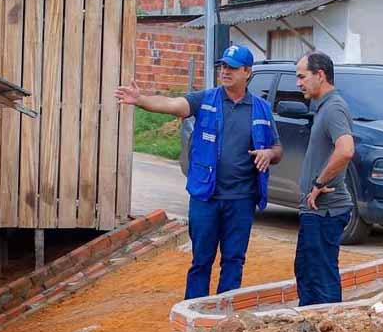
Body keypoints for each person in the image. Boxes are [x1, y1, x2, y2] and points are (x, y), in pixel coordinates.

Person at [115, 45, 282, 299]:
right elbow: (173, 104)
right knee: (201, 260)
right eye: (223, 66)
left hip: (241, 199)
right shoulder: (206, 100)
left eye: (232, 67)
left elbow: (278, 148)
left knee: (234, 260)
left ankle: (225, 314)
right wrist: (141, 101)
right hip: (207, 197)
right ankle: (194, 312)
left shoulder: (260, 109)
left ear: (247, 71)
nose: (225, 71)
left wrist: (269, 154)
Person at [293, 52, 355, 306]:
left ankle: (327, 329)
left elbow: (346, 150)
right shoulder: (324, 107)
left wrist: (319, 184)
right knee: (308, 271)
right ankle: (312, 330)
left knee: (321, 275)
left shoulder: (334, 108)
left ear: (320, 75)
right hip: (316, 212)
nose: (298, 83)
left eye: (302, 76)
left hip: (326, 211)